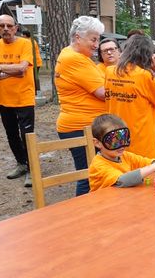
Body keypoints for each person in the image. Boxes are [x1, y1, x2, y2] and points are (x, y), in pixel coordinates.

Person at [55, 15, 106, 196]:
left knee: (94, 173)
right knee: (88, 176)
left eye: (98, 39)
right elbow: (102, 93)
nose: (96, 45)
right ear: (78, 37)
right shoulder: (74, 59)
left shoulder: (80, 57)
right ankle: (82, 217)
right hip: (80, 127)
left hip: (86, 125)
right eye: (93, 39)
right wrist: (125, 89)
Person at [0, 14, 35, 187]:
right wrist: (9, 71)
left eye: (9, 26)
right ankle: (21, 164)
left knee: (26, 135)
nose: (6, 29)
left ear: (16, 27)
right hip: (3, 98)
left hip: (24, 97)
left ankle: (32, 170)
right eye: (2, 26)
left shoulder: (26, 43)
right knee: (11, 134)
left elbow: (22, 68)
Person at [105, 34, 155, 159]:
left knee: (120, 173)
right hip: (141, 142)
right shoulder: (144, 76)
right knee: (144, 175)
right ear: (148, 55)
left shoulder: (110, 72)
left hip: (116, 137)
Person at [88, 114, 155, 192]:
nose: (121, 145)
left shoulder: (125, 156)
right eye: (114, 141)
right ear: (97, 143)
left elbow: (148, 162)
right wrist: (154, 167)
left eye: (124, 138)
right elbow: (123, 180)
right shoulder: (98, 165)